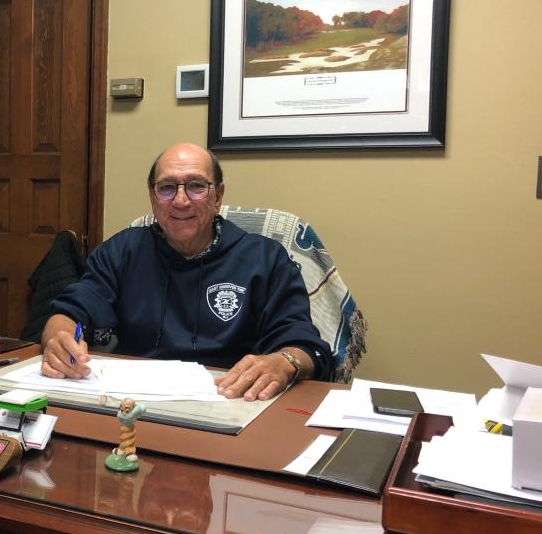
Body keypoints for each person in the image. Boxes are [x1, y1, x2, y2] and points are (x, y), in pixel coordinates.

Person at [40, 142, 332, 400]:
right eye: (167, 188)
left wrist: (283, 362)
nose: (180, 201)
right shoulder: (122, 252)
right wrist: (59, 338)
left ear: (218, 196)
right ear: (154, 198)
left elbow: (304, 345)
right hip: (135, 402)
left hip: (231, 398)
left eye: (196, 186)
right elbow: (72, 310)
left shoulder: (264, 258)